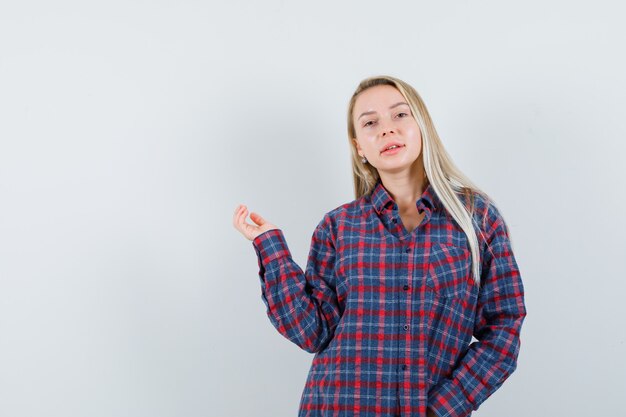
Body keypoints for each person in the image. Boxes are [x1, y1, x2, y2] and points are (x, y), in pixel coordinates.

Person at [232, 75, 527, 417]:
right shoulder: (338, 227)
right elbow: (312, 332)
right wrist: (270, 247)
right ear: (360, 147)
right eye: (370, 122)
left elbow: (504, 330)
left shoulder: (477, 218)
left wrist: (441, 409)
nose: (387, 129)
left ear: (422, 126)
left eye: (400, 115)